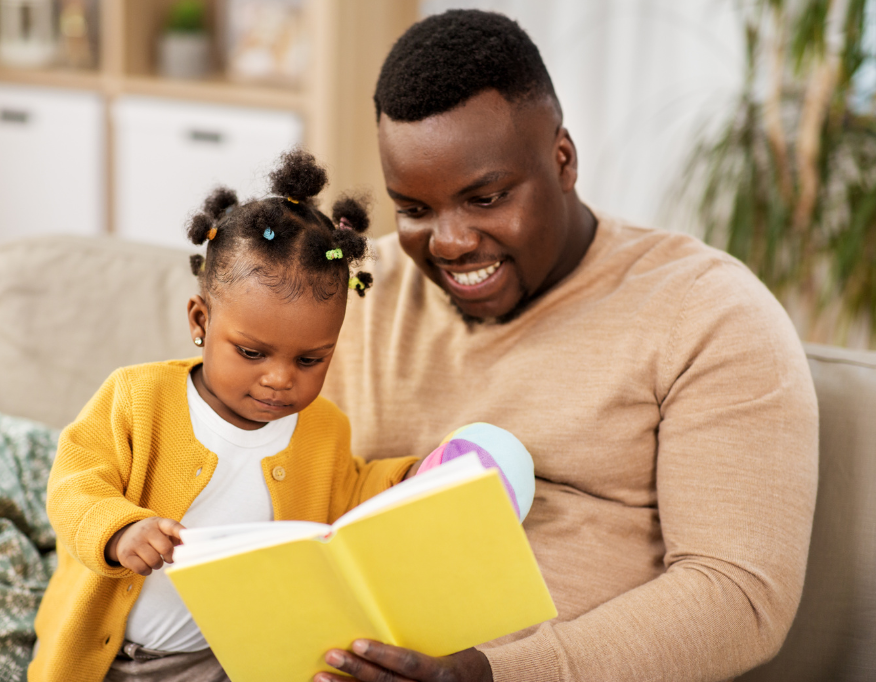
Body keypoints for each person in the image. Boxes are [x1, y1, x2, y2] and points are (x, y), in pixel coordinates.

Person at [316, 10, 818, 682]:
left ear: (563, 159)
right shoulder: (349, 294)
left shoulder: (708, 313)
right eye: (414, 209)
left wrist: (488, 674)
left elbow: (740, 597)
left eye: (486, 197)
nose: (450, 242)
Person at [29, 150, 420, 682]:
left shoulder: (325, 428)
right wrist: (120, 531)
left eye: (310, 360)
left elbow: (350, 493)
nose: (281, 379)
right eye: (252, 353)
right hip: (115, 656)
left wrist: (412, 477)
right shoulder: (137, 397)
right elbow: (73, 487)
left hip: (230, 657)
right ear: (201, 319)